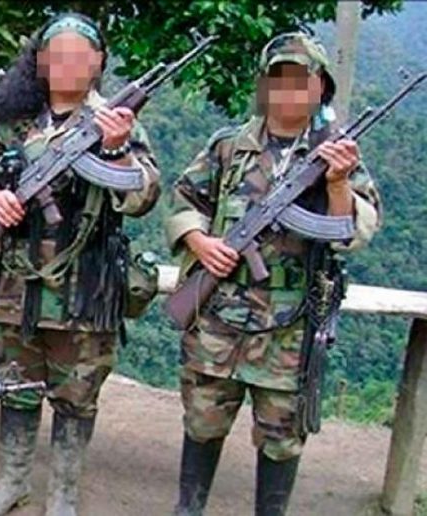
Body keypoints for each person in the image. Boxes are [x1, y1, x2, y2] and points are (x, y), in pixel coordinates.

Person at [164, 33, 382, 515]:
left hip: (290, 328)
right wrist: (201, 243)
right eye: (277, 79)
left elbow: (352, 233)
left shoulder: (336, 156)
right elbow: (183, 202)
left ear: (320, 87)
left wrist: (337, 183)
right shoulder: (228, 146)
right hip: (217, 318)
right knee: (202, 422)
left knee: (281, 439)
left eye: (301, 80)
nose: (288, 90)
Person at [0, 13, 160, 516]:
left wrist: (115, 150)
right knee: (15, 387)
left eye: (80, 55)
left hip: (84, 286)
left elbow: (143, 195)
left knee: (77, 396)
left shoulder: (117, 122)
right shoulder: (14, 120)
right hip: (14, 282)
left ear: (98, 63)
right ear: (41, 62)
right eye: (58, 54)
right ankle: (12, 482)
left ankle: (64, 494)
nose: (68, 63)